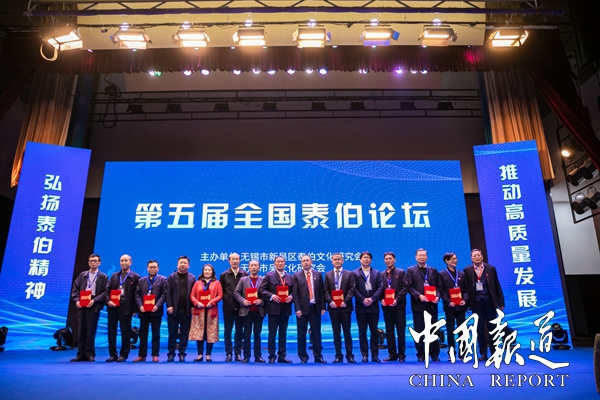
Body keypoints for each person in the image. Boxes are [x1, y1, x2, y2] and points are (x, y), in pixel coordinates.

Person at [464, 248, 505, 361]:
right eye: (474, 256)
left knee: (493, 328)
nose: (477, 257)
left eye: (478, 255)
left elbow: (497, 285)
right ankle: (483, 353)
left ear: (482, 256)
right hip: (476, 303)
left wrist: (501, 302)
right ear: (471, 258)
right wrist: (466, 304)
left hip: (490, 302)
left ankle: (494, 352)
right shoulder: (467, 270)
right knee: (479, 328)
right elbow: (466, 289)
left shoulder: (490, 268)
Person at [70, 254, 108, 362]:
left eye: (95, 261)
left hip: (93, 303)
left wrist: (94, 300)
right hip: (82, 303)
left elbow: (105, 292)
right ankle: (80, 354)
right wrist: (77, 300)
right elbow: (75, 290)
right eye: (91, 261)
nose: (93, 263)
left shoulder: (103, 277)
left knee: (91, 330)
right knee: (81, 330)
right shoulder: (82, 275)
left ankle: (90, 354)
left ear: (99, 263)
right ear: (88, 262)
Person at [406, 248, 441, 363]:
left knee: (433, 330)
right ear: (416, 257)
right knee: (419, 330)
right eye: (420, 255)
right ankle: (421, 354)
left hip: (432, 305)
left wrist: (437, 296)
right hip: (418, 305)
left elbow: (438, 287)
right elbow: (409, 287)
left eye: (424, 255)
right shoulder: (410, 270)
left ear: (427, 257)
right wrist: (419, 296)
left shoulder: (433, 270)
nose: (422, 257)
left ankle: (434, 354)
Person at [258, 255, 294, 363]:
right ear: (274, 264)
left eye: (282, 262)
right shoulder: (269, 276)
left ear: (285, 264)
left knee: (283, 333)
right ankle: (272, 356)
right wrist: (272, 296)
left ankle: (282, 356)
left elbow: (295, 291)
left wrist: (291, 296)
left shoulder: (290, 277)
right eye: (278, 262)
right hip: (273, 309)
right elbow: (261, 290)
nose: (280, 263)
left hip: (285, 309)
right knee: (272, 333)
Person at [105, 254, 140, 362]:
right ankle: (113, 354)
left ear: (130, 262)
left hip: (126, 307)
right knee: (111, 332)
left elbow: (137, 294)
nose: (123, 262)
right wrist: (108, 301)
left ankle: (124, 354)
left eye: (126, 260)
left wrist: (135, 309)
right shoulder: (114, 276)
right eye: (121, 261)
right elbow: (107, 290)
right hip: (113, 306)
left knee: (126, 332)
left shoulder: (135, 277)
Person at [292, 255, 326, 364]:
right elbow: (295, 294)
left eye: (307, 260)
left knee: (316, 334)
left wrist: (323, 307)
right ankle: (303, 357)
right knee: (301, 334)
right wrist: (297, 309)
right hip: (302, 310)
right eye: (303, 261)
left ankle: (318, 356)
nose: (306, 262)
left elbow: (322, 292)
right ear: (301, 263)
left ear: (311, 262)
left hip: (315, 308)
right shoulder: (296, 275)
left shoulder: (318, 274)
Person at [323, 252, 356, 363]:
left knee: (347, 332)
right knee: (336, 332)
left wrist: (345, 301)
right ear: (332, 261)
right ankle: (338, 356)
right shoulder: (328, 275)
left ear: (343, 261)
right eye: (335, 259)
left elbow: (352, 289)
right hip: (333, 308)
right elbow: (325, 290)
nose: (337, 261)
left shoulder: (349, 274)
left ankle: (350, 355)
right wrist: (330, 301)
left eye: (339, 259)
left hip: (345, 307)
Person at [133, 260, 167, 363]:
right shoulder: (141, 280)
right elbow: (137, 294)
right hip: (143, 311)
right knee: (143, 334)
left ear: (158, 268)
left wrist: (157, 306)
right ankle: (142, 355)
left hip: (156, 311)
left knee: (156, 334)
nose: (152, 269)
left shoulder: (163, 280)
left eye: (154, 267)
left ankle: (155, 355)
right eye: (150, 267)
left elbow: (164, 294)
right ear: (147, 268)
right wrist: (140, 306)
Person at [353, 251, 383, 363]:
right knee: (362, 332)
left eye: (368, 258)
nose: (366, 259)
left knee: (374, 332)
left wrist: (372, 298)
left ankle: (375, 355)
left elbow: (380, 287)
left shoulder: (376, 272)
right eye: (364, 257)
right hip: (361, 306)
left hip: (373, 306)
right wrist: (362, 299)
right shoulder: (355, 273)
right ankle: (364, 355)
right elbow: (353, 288)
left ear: (371, 260)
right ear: (360, 260)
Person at [189, 264, 223, 362]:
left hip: (211, 310)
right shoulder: (197, 283)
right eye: (205, 270)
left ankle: (208, 355)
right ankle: (200, 355)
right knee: (200, 333)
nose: (207, 272)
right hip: (199, 310)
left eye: (209, 270)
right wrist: (197, 303)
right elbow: (192, 295)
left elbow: (220, 295)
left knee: (210, 333)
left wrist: (212, 302)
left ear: (212, 272)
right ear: (203, 271)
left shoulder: (217, 283)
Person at [165, 255, 196, 362]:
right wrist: (169, 305)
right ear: (177, 265)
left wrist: (193, 307)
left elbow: (194, 294)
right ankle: (171, 354)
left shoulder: (192, 278)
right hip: (173, 311)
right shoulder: (171, 277)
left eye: (185, 263)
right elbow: (167, 293)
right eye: (181, 263)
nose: (182, 264)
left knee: (184, 334)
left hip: (186, 310)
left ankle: (182, 353)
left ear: (188, 265)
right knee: (172, 333)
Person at [233, 260, 265, 363]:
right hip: (246, 311)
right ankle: (246, 356)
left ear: (259, 268)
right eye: (252, 266)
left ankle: (258, 356)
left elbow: (267, 294)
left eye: (256, 265)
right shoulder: (243, 280)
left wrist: (261, 300)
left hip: (259, 311)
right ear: (249, 268)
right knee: (246, 335)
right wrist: (243, 301)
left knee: (257, 335)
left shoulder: (263, 280)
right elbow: (236, 293)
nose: (254, 267)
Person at [439, 252, 469, 361]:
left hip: (461, 306)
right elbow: (441, 291)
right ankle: (451, 353)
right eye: (452, 259)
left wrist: (464, 300)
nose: (454, 261)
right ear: (446, 261)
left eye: (455, 258)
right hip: (449, 307)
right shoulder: (441, 274)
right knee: (450, 330)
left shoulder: (461, 274)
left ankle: (463, 352)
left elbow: (466, 290)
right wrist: (448, 301)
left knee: (462, 330)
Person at [380, 251, 408, 363]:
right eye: (386, 259)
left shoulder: (401, 272)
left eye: (390, 258)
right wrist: (381, 299)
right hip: (387, 307)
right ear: (384, 261)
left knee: (400, 331)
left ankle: (401, 354)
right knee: (389, 332)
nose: (388, 260)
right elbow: (379, 289)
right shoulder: (381, 274)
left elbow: (405, 288)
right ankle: (392, 354)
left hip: (399, 306)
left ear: (394, 260)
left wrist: (397, 299)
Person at [219, 252, 248, 362]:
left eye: (237, 259)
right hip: (228, 307)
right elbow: (221, 292)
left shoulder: (244, 274)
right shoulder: (224, 275)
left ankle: (238, 353)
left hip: (241, 307)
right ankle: (228, 353)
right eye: (233, 259)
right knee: (228, 331)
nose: (235, 261)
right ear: (229, 261)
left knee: (239, 331)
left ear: (239, 260)